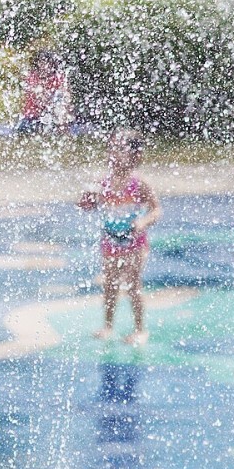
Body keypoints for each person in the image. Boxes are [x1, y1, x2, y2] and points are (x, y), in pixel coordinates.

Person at [78, 129, 161, 346]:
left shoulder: (139, 183)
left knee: (132, 285)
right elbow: (87, 206)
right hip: (110, 241)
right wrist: (85, 201)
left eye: (120, 149)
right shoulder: (102, 182)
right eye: (112, 148)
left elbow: (155, 210)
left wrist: (142, 222)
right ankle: (107, 326)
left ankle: (140, 329)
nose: (114, 153)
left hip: (135, 243)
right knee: (110, 284)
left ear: (134, 156)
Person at [18, 49, 74, 134]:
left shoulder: (58, 77)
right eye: (41, 62)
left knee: (61, 102)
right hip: (32, 118)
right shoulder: (32, 77)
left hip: (53, 117)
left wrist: (65, 114)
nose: (44, 65)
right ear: (37, 64)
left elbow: (67, 97)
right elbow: (41, 99)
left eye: (46, 62)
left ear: (51, 64)